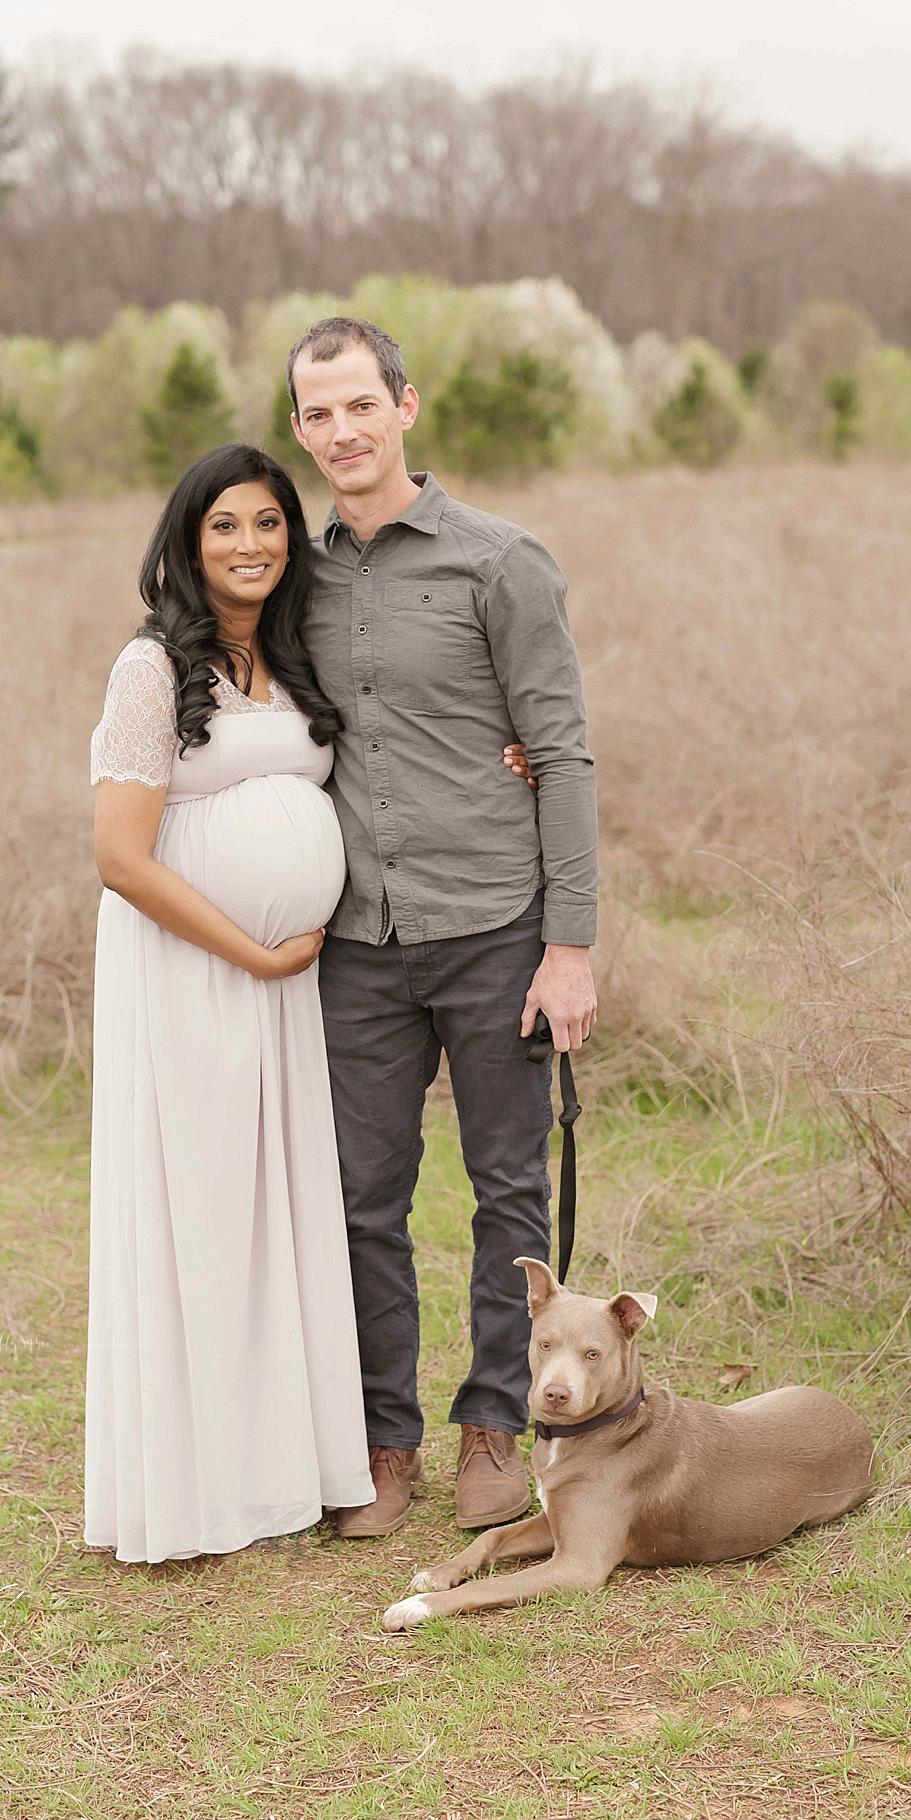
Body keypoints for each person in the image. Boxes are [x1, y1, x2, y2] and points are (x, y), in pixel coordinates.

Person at [288, 315, 600, 1538]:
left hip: (492, 928)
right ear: (303, 429)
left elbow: (562, 752)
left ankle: (492, 1425)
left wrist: (567, 943)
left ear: (404, 406)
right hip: (354, 940)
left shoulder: (501, 563)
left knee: (506, 1190)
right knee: (363, 1197)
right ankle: (383, 1442)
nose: (341, 431)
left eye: (360, 404)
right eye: (317, 413)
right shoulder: (294, 579)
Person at [83, 444, 375, 1563]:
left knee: (277, 1217)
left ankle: (282, 1471)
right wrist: (252, 955)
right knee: (200, 1210)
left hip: (280, 994)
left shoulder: (295, 660)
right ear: (186, 541)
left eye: (269, 524)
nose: (251, 545)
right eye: (225, 527)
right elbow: (121, 857)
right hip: (190, 976)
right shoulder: (153, 670)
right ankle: (197, 1487)